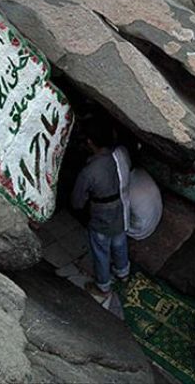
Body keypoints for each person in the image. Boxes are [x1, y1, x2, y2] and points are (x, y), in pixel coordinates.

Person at [72, 122, 130, 299]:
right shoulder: (120, 155)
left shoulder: (89, 172)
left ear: (90, 142)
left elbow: (77, 201)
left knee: (101, 250)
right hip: (120, 208)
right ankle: (123, 273)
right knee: (120, 243)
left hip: (101, 215)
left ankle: (103, 287)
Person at [111, 144, 163, 241]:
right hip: (154, 219)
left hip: (140, 230)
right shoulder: (141, 173)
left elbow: (123, 217)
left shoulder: (126, 190)